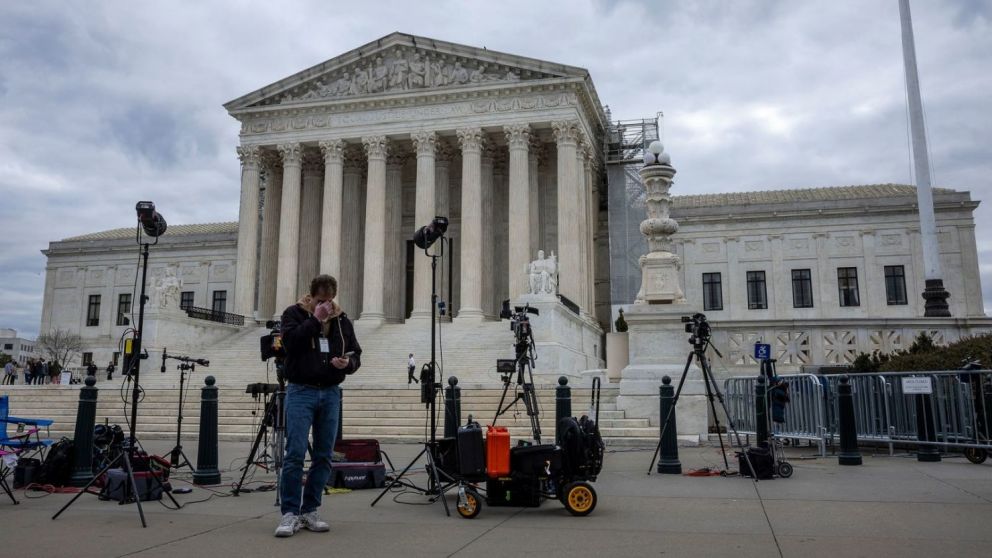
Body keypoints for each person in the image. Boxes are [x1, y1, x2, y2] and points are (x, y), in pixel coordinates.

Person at [275, 274, 361, 538]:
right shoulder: (294, 314)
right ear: (311, 297)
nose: (326, 305)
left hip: (331, 392)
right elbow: (289, 343)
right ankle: (290, 512)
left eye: (329, 300)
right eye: (321, 300)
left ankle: (310, 509)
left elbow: (356, 352)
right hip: (301, 391)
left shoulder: (342, 320)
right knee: (295, 452)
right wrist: (315, 319)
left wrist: (348, 364)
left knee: (323, 455)